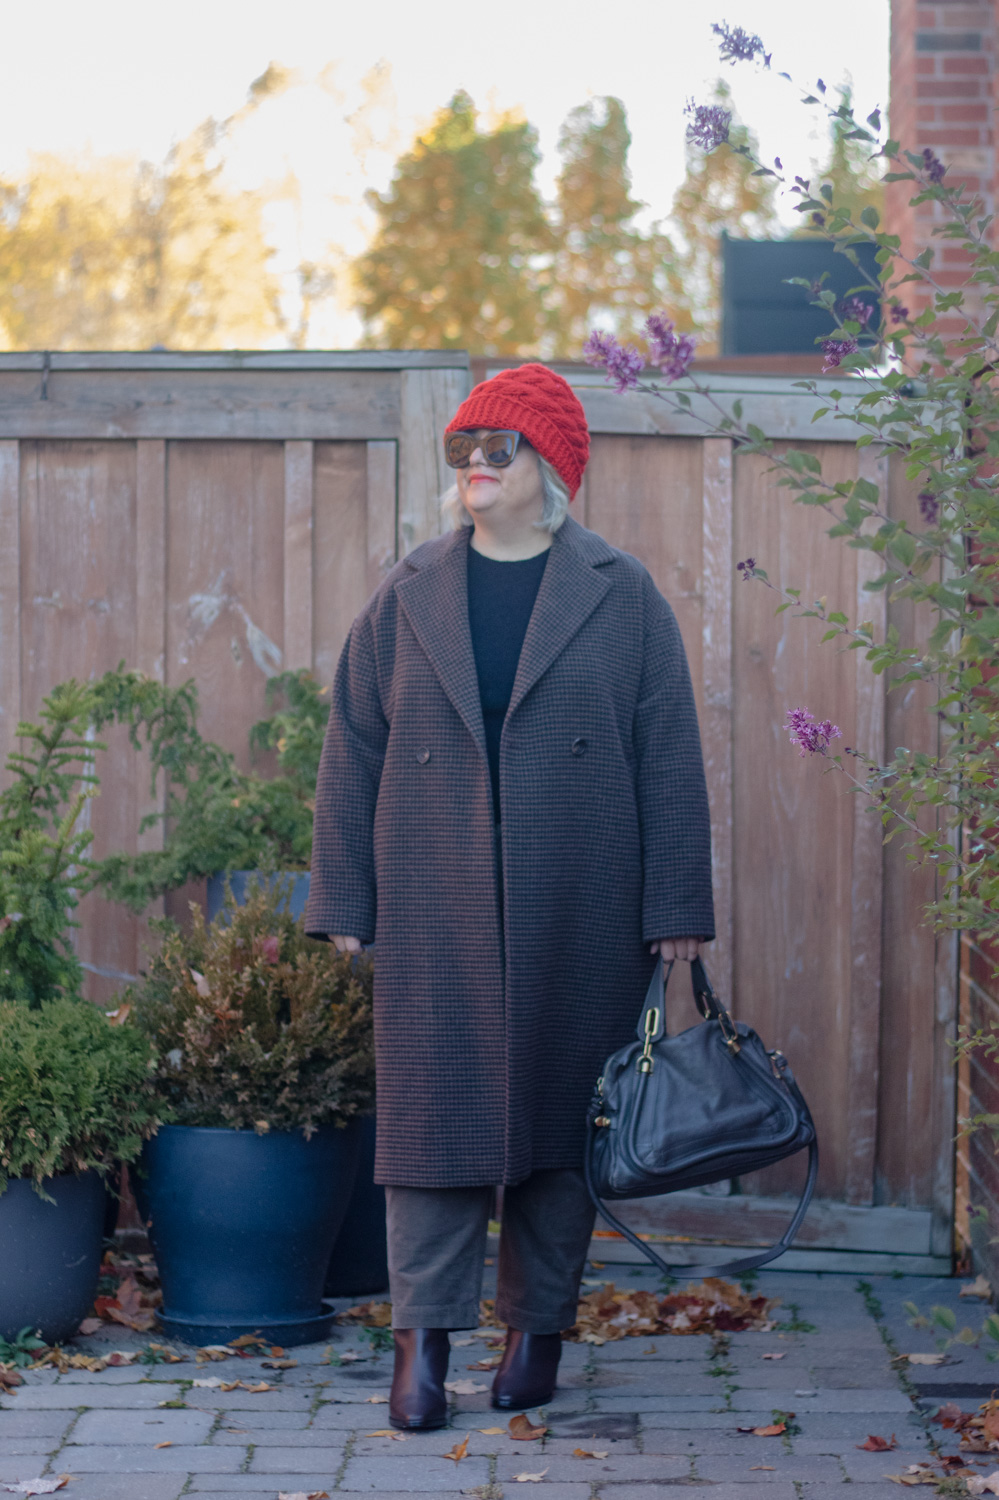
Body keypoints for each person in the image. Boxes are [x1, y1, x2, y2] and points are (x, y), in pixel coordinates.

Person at [305, 362, 714, 1430]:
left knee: (558, 1133)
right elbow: (351, 743)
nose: (477, 468)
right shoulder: (409, 590)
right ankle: (422, 1348)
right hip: (435, 899)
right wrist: (344, 897)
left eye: (499, 449)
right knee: (428, 1134)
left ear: (553, 466)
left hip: (578, 897)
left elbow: (666, 750)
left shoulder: (620, 594)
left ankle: (538, 1338)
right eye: (464, 451)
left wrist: (676, 905)